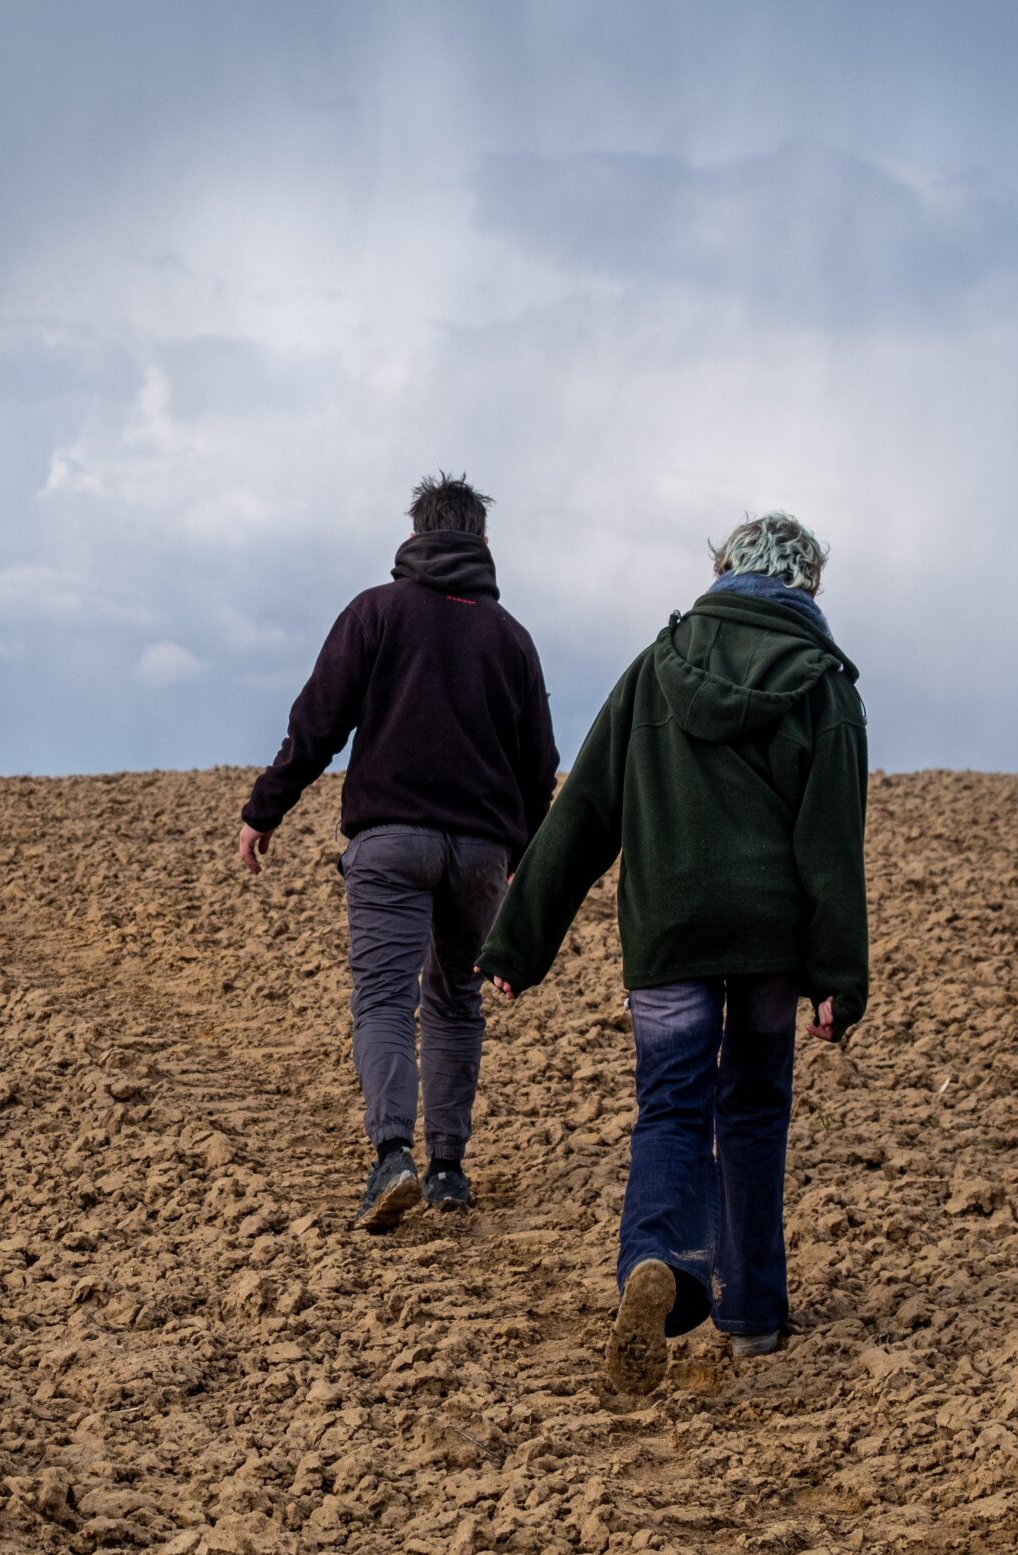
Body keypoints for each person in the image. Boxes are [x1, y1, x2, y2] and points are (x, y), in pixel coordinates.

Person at [477, 512, 867, 1394]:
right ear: (808, 585)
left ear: (722, 569)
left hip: (670, 931)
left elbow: (585, 812)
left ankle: (654, 1257)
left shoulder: (658, 667)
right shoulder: (825, 685)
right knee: (756, 1109)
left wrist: (519, 939)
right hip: (771, 939)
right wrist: (838, 980)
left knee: (672, 1106)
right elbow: (833, 845)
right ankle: (754, 1314)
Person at [238, 474, 559, 1232]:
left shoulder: (375, 612)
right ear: (480, 541)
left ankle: (392, 1158)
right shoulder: (511, 638)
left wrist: (265, 808)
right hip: (482, 851)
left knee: (386, 999)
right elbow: (538, 763)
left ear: (416, 533)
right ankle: (448, 1171)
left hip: (389, 842)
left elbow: (318, 720)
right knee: (456, 1001)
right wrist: (523, 853)